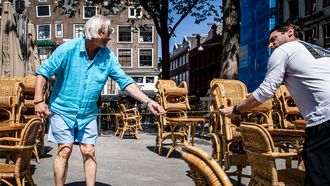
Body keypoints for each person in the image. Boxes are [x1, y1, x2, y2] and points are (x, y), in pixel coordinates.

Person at [34, 15, 165, 186]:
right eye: (107, 33)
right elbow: (43, 71)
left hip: (88, 113)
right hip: (62, 110)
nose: (110, 37)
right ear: (94, 33)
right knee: (64, 150)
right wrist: (38, 100)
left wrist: (148, 101)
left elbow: (125, 82)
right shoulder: (68, 49)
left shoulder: (108, 58)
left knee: (89, 151)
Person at [220, 24, 330, 185]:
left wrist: (236, 109)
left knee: (319, 177)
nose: (271, 45)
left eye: (274, 39)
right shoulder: (322, 52)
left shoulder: (284, 50)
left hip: (324, 120)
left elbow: (266, 91)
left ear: (290, 32)